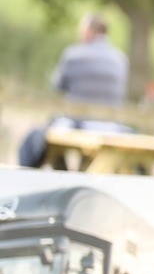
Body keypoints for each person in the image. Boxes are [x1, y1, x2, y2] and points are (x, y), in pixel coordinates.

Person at [18, 13, 131, 168]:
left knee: (41, 138)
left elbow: (57, 87)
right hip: (111, 126)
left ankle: (59, 172)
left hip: (77, 124)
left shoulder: (73, 55)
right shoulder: (121, 60)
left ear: (89, 31)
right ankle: (80, 172)